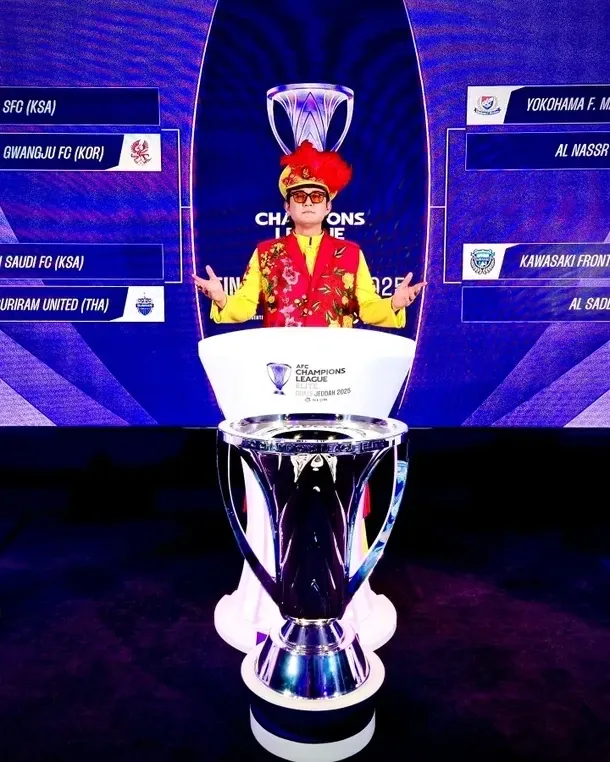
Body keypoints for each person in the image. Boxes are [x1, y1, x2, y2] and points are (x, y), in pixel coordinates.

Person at [193, 140, 426, 327]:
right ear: (287, 206)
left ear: (328, 207)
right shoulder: (266, 253)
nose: (307, 202)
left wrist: (394, 304)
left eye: (316, 196)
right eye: (298, 196)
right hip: (280, 360)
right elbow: (245, 305)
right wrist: (221, 299)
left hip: (335, 361)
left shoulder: (351, 253)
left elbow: (367, 308)